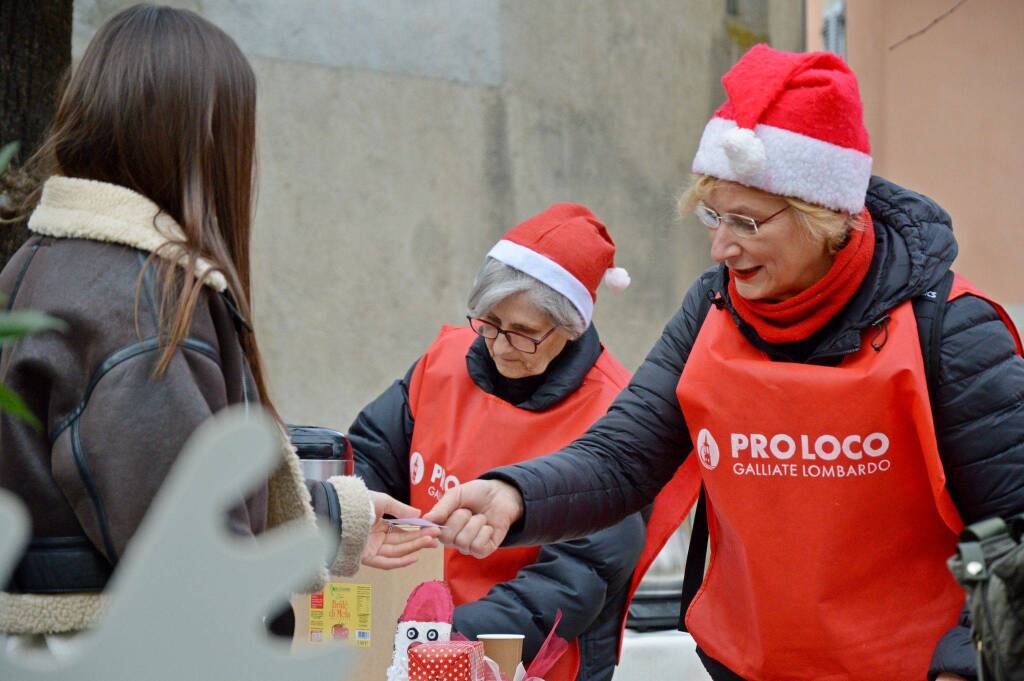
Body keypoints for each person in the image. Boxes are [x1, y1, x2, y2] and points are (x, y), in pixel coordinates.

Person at [426, 45, 1024, 681]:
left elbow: (1014, 532)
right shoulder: (712, 305)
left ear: (824, 217)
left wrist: (963, 668)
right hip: (748, 668)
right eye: (713, 215)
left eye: (747, 222)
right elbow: (624, 458)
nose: (721, 247)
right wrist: (515, 494)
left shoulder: (951, 330)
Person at [0, 5, 436, 646]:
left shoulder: (41, 263)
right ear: (205, 138)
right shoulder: (142, 298)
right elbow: (188, 550)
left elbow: (145, 485)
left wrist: (334, 518)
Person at [352, 204, 645, 681]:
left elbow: (574, 578)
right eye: (489, 322)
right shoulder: (443, 362)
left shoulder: (614, 416)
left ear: (570, 328)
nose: (501, 346)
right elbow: (369, 455)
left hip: (524, 657)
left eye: (525, 333)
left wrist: (443, 641)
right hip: (414, 635)